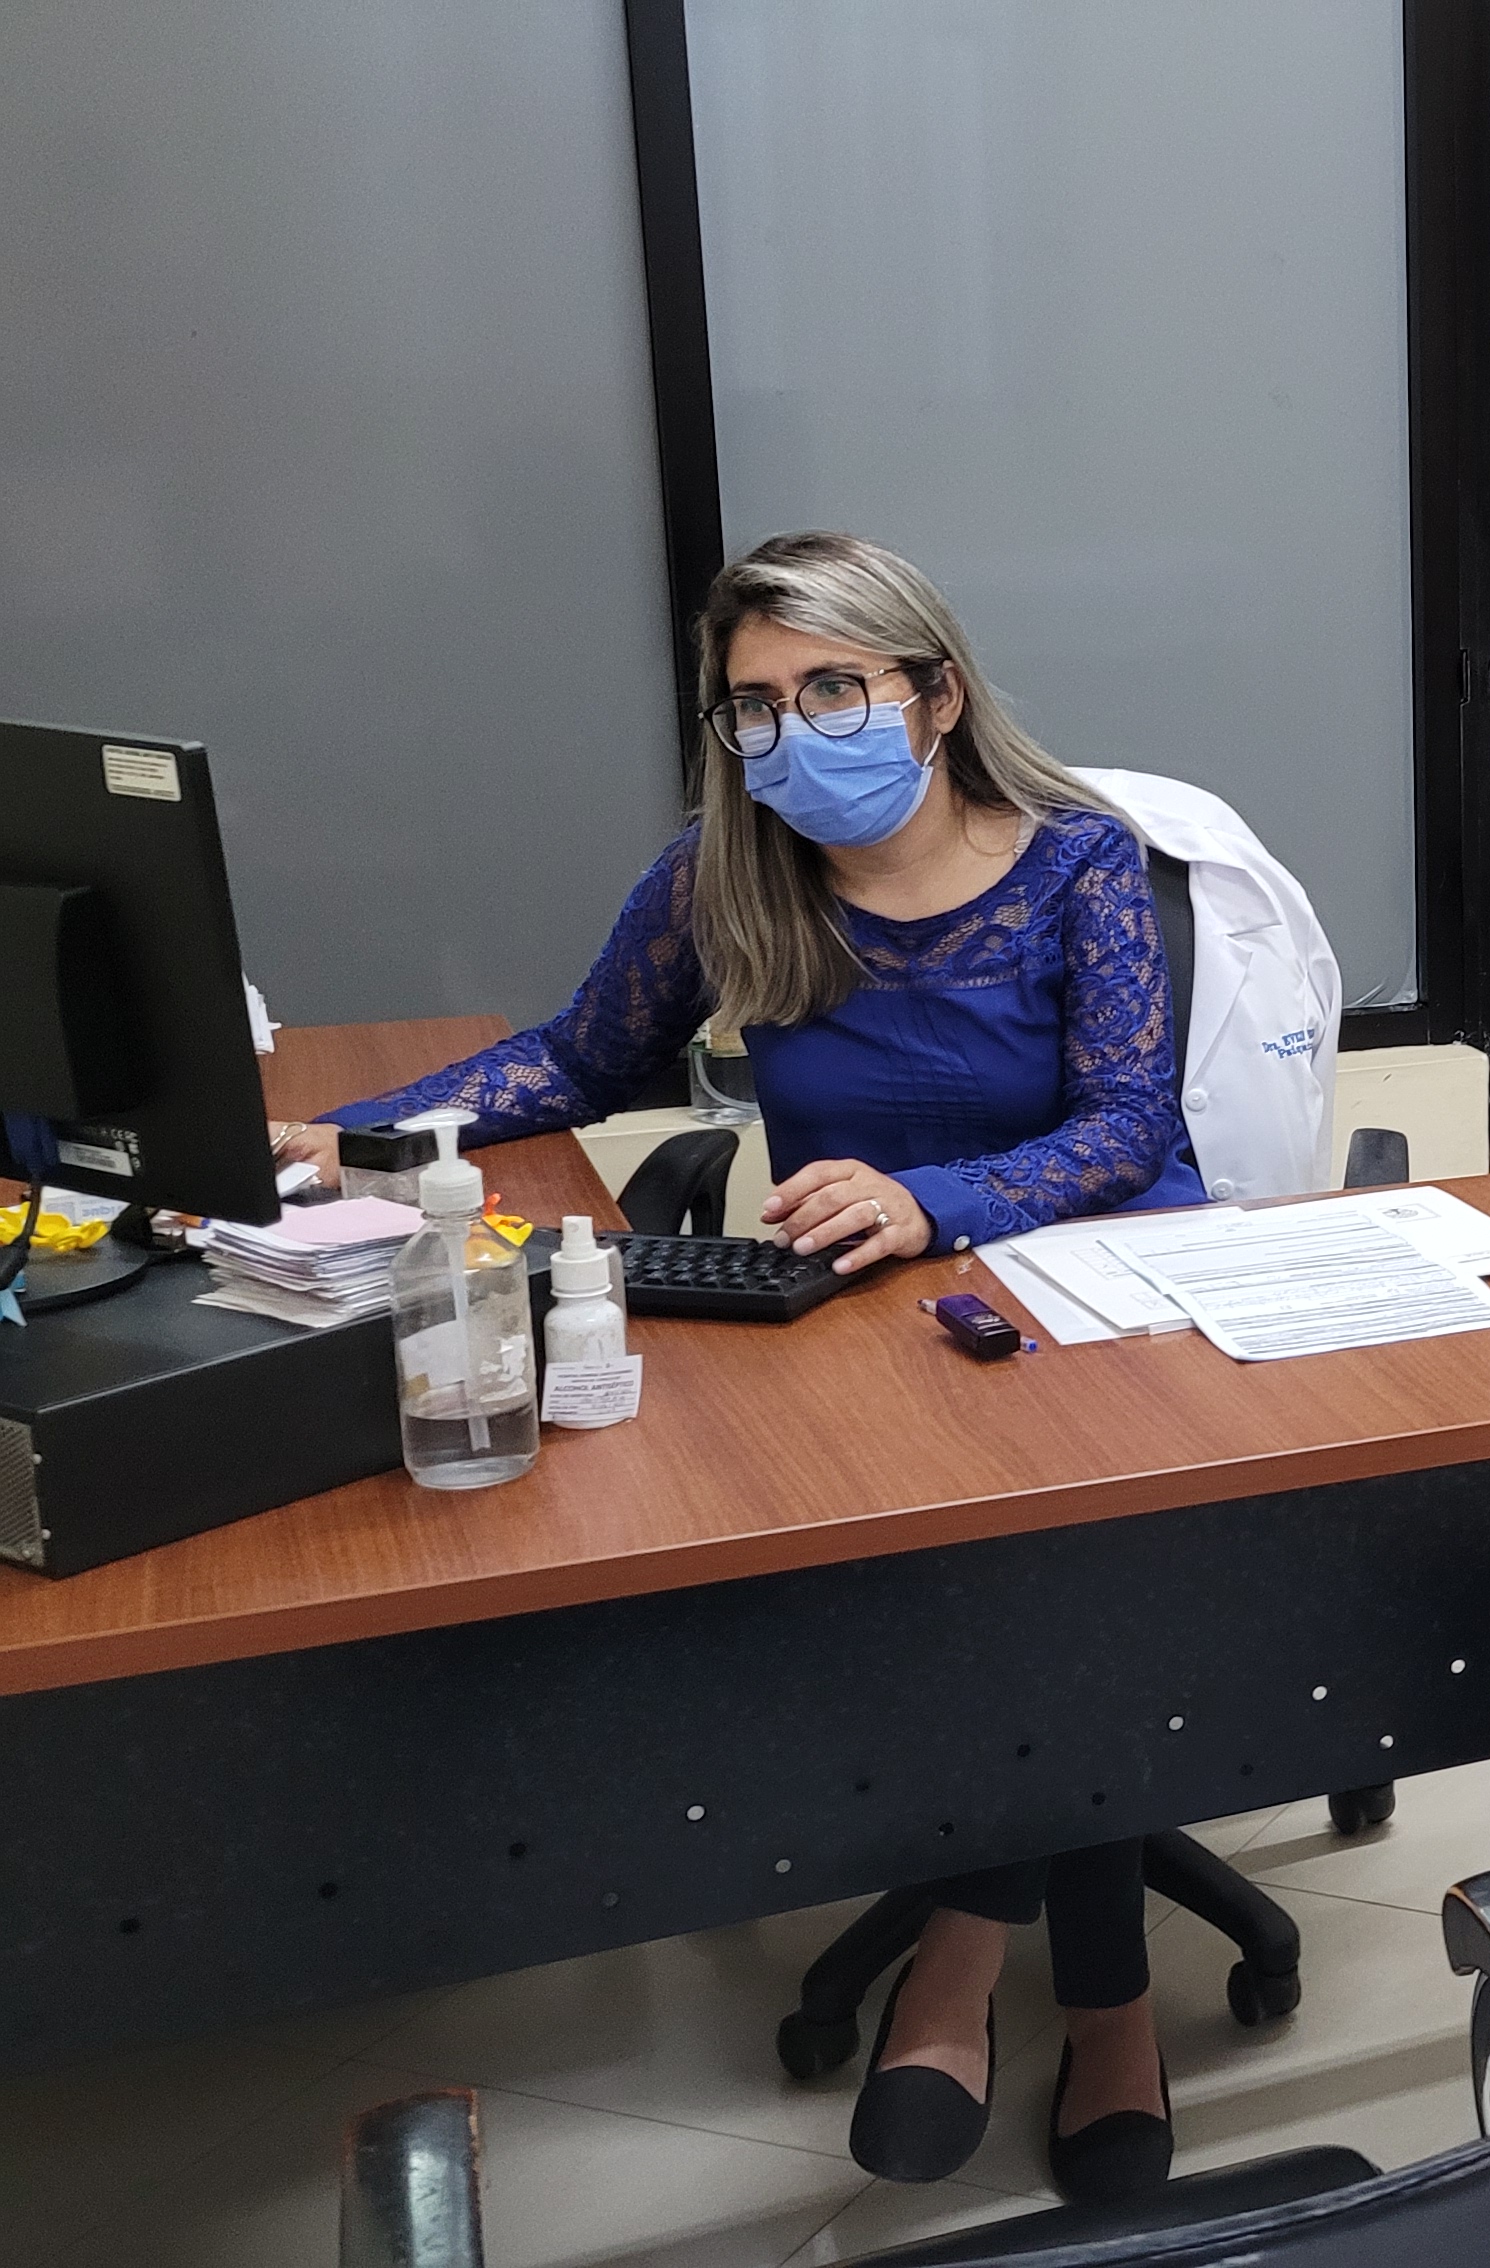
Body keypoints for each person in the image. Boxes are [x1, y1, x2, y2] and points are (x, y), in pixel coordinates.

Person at [280, 530, 1199, 2201]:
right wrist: (351, 1137)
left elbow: (1129, 1124)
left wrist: (934, 1200)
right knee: (995, 1589)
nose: (790, 731)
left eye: (832, 686)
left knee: (1070, 1568)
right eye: (755, 702)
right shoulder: (725, 873)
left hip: (1084, 1275)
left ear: (935, 695)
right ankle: (1053, 1965)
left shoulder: (1075, 862)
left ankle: (1021, 1979)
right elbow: (578, 1059)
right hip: (869, 1310)